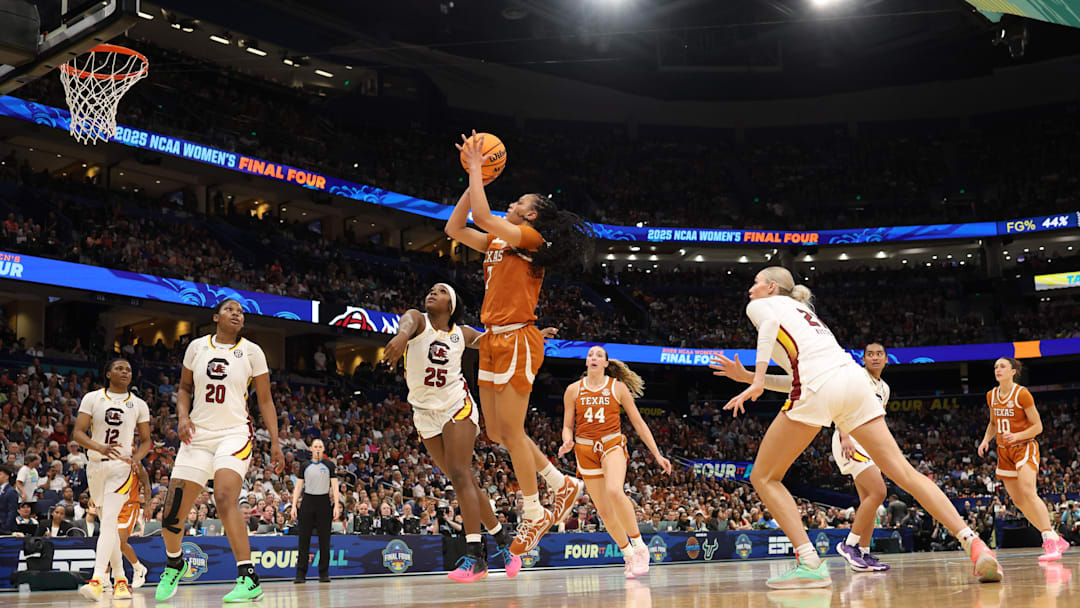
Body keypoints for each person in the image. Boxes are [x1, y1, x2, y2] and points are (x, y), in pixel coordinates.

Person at [712, 267, 1001, 589]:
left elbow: (770, 332)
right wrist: (753, 378)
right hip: (853, 379)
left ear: (770, 286)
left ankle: (809, 562)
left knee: (763, 476)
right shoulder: (802, 310)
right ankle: (973, 542)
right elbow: (799, 377)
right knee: (905, 473)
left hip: (820, 386)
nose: (750, 290)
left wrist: (756, 378)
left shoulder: (762, 305)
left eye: (753, 283)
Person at [446, 132, 593, 555]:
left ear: (532, 213)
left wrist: (478, 171)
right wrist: (473, 179)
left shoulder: (530, 239)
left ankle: (535, 512)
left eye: (518, 202)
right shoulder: (497, 240)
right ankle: (560, 483)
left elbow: (485, 216)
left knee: (510, 430)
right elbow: (455, 227)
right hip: (493, 339)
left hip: (517, 340)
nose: (511, 204)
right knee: (496, 432)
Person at [384, 283, 552, 582]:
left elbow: (497, 342)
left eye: (441, 291)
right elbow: (406, 323)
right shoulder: (417, 320)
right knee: (464, 482)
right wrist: (400, 336)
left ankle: (475, 556)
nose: (432, 293)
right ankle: (503, 544)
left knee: (461, 474)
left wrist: (532, 337)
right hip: (424, 414)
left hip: (456, 406)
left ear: (452, 305)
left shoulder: (462, 333)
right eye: (431, 290)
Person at [718, 342, 892, 572]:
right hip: (849, 438)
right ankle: (849, 545)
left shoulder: (884, 388)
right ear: (864, 359)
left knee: (869, 498)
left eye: (879, 354)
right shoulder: (857, 376)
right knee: (879, 491)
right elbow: (842, 405)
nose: (875, 358)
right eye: (870, 354)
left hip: (867, 441)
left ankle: (863, 552)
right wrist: (844, 435)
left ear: (887, 359)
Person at [155, 299, 285, 603]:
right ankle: (175, 562)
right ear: (215, 317)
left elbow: (265, 400)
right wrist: (183, 417)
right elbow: (184, 388)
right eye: (229, 309)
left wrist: (276, 442)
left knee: (225, 495)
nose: (237, 313)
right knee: (171, 513)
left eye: (240, 310)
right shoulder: (197, 347)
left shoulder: (253, 351)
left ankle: (248, 578)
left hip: (235, 433)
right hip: (197, 436)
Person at [557, 346, 672, 579]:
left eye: (599, 355)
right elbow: (568, 425)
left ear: (606, 363)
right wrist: (567, 441)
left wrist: (657, 454)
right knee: (605, 512)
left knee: (614, 490)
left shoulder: (617, 387)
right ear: (586, 362)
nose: (593, 358)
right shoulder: (572, 390)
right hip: (584, 448)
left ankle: (640, 547)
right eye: (590, 355)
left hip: (611, 444)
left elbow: (639, 423)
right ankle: (627, 554)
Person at [72, 358, 151, 601]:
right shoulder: (92, 398)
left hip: (121, 467)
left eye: (128, 369)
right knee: (109, 526)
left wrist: (135, 458)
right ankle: (121, 580)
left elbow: (146, 440)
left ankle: (97, 579)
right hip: (95, 465)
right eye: (119, 368)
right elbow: (77, 433)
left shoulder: (138, 404)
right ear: (108, 374)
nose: (125, 372)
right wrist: (100, 447)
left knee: (107, 522)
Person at [978, 357, 1068, 562]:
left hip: (1024, 447)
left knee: (1028, 491)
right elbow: (993, 423)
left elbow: (1038, 427)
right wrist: (985, 441)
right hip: (1003, 451)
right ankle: (1054, 537)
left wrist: (1017, 436)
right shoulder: (991, 395)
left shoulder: (1022, 394)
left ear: (1013, 371)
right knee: (1018, 501)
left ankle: (1048, 540)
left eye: (1002, 366)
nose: (998, 370)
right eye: (995, 367)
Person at [292, 439, 340, 583]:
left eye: (320, 446)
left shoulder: (329, 465)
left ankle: (324, 573)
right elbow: (299, 487)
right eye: (315, 447)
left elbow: (335, 487)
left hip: (324, 502)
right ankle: (300, 574)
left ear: (323, 449)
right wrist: (294, 505)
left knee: (325, 540)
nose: (318, 449)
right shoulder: (304, 465)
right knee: (303, 540)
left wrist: (336, 505)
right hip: (307, 502)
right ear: (311, 449)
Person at [110, 461, 151, 588]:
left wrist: (148, 505)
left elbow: (146, 483)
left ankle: (138, 568)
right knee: (109, 541)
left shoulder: (136, 465)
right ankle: (106, 579)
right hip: (113, 505)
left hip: (130, 506)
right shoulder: (111, 462)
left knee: (120, 541)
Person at [0, 465, 17, 534]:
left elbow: (12, 511)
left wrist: (6, 527)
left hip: (5, 527)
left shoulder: (11, 491)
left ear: (7, 477)